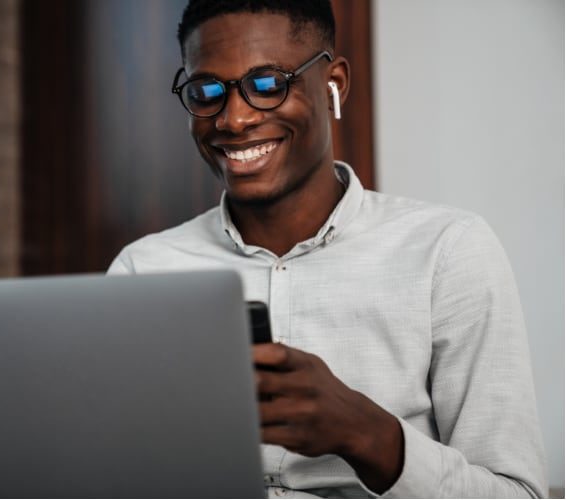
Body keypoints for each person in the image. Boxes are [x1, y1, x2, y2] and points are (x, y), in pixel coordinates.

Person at [107, 0, 547, 497]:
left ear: (334, 82)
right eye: (206, 91)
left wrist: (365, 434)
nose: (233, 119)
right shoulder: (143, 269)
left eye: (268, 84)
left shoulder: (447, 251)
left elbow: (518, 495)